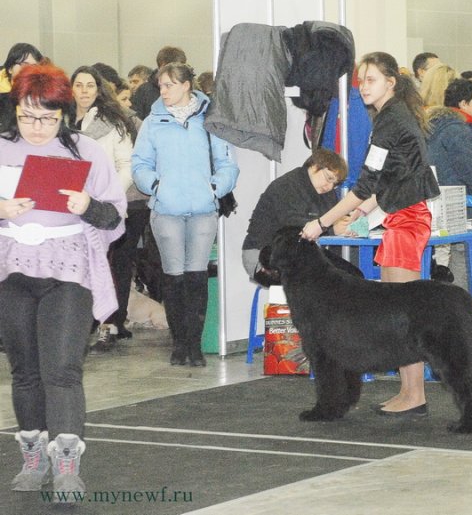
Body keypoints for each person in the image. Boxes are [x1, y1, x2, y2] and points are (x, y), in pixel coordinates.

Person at [0, 64, 126, 496]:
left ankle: (68, 465)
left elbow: (115, 218)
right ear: (14, 109)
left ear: (63, 112)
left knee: (63, 371)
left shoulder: (86, 150)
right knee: (26, 372)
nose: (37, 127)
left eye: (48, 118)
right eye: (27, 116)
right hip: (12, 271)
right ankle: (33, 457)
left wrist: (87, 204)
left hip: (69, 272)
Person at [300, 51, 440, 417]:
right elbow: (384, 181)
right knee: (399, 313)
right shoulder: (389, 117)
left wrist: (322, 223)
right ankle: (411, 392)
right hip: (400, 217)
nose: (364, 86)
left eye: (372, 79)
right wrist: (361, 213)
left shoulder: (391, 121)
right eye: (362, 80)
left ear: (391, 83)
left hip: (408, 221)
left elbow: (365, 185)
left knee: (406, 314)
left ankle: (415, 394)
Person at [132, 62, 239, 367]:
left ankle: (194, 344)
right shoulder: (153, 122)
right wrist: (155, 185)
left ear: (186, 85)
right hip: (166, 211)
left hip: (204, 210)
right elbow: (139, 163)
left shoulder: (210, 119)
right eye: (161, 86)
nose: (162, 91)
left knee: (197, 277)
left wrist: (214, 188)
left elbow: (227, 162)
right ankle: (179, 344)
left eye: (168, 85)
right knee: (173, 277)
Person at [70, 65, 140, 350]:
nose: (84, 91)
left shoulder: (114, 121)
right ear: (71, 88)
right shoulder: (59, 121)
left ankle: (107, 325)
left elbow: (127, 165)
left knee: (104, 268)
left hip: (101, 209)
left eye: (90, 85)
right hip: (68, 210)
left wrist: (110, 196)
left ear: (99, 90)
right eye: (79, 85)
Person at [426, 78, 472, 288]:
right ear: (463, 104)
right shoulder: (458, 130)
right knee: (462, 255)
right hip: (458, 206)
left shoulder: (434, 124)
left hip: (435, 201)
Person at [242, 148, 349, 280]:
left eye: (335, 184)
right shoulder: (286, 186)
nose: (329, 186)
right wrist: (331, 229)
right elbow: (293, 224)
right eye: (329, 178)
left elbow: (330, 220)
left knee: (351, 275)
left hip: (298, 254)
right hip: (263, 253)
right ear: (315, 165)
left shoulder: (327, 192)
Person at [130, 46, 186, 120]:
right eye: (176, 68)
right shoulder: (144, 91)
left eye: (182, 68)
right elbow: (136, 122)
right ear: (162, 66)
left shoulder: (188, 89)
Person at [0, 43, 44, 132]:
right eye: (24, 65)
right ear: (10, 68)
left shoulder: (43, 96)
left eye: (34, 66)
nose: (29, 70)